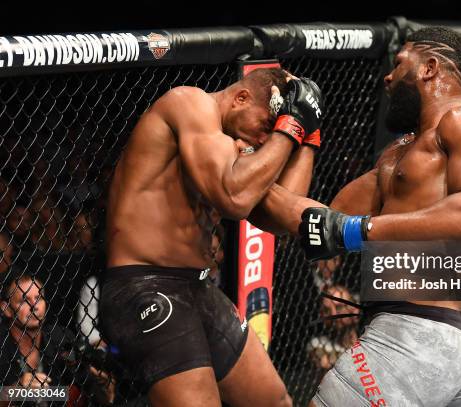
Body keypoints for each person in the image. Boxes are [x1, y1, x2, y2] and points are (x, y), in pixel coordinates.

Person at [252, 26, 461, 406]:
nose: (387, 77)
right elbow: (314, 223)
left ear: (429, 68)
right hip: (427, 337)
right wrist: (293, 135)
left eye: (398, 63)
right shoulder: (398, 154)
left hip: (417, 334)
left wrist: (360, 230)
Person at [100, 67, 323, 407]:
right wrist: (288, 128)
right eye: (266, 126)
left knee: (275, 402)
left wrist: (307, 132)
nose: (266, 140)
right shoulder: (189, 103)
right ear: (241, 98)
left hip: (197, 288)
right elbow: (234, 199)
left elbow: (281, 219)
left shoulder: (234, 150)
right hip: (145, 285)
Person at [0, 274, 115, 406]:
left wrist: (98, 387)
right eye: (24, 300)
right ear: (6, 309)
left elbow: (77, 384)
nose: (34, 306)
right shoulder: (3, 344)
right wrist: (17, 391)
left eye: (38, 298)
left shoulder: (60, 336)